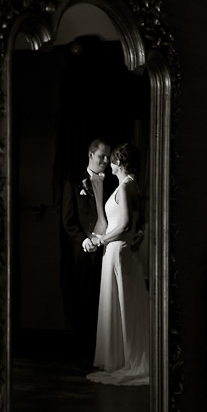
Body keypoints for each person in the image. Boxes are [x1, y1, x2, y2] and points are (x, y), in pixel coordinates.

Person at [87, 143, 150, 386]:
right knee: (126, 301)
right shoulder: (134, 184)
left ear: (119, 163)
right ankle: (124, 355)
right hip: (125, 250)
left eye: (112, 160)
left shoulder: (125, 187)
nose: (109, 164)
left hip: (118, 250)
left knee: (121, 301)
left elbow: (124, 225)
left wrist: (103, 239)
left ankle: (126, 359)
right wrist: (141, 235)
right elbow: (139, 223)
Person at [61, 138, 112, 370]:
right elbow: (68, 221)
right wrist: (84, 241)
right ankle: (85, 354)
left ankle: (106, 353)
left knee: (106, 301)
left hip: (109, 248)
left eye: (108, 156)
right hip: (85, 251)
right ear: (90, 154)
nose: (106, 160)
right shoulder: (73, 182)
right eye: (102, 156)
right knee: (85, 302)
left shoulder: (112, 181)